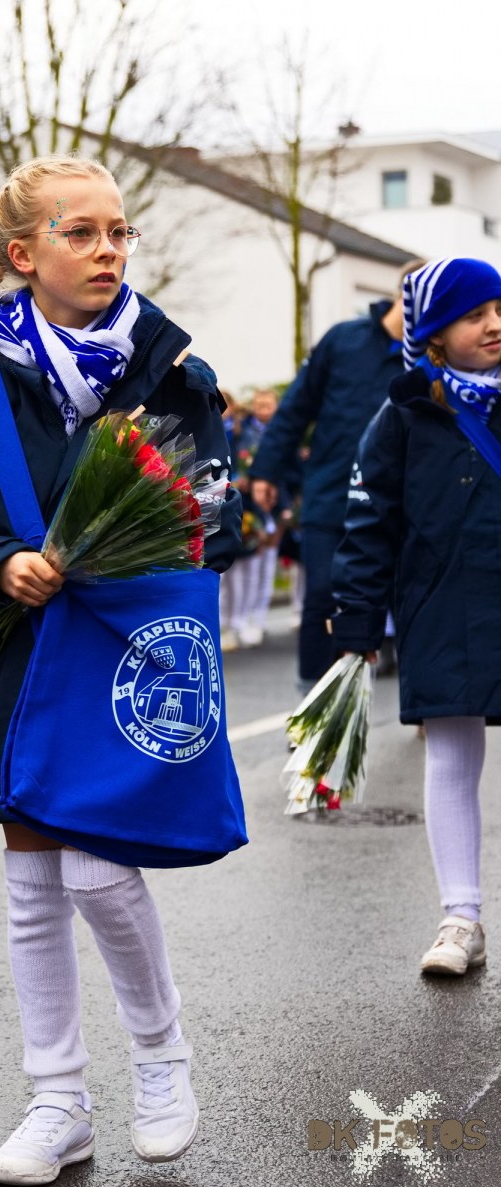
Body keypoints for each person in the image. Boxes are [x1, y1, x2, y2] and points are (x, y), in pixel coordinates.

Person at [0, 154, 241, 1187]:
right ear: (22, 252)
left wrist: (136, 547)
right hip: (15, 653)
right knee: (33, 884)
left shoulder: (173, 376)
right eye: (79, 232)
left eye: (118, 231)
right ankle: (58, 1101)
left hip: (127, 656)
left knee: (91, 866)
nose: (106, 250)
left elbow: (213, 516)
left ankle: (160, 1054)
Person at [330, 258, 501, 976]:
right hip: (444, 608)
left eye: (499, 309)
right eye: (473, 315)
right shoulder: (401, 416)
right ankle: (461, 918)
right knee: (451, 756)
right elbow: (368, 525)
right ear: (433, 334)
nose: (494, 324)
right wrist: (357, 618)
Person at [250, 261, 425, 689]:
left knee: (414, 599)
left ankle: (423, 702)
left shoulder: (429, 357)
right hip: (332, 494)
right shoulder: (343, 340)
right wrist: (266, 471)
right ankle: (313, 697)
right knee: (323, 595)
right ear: (404, 295)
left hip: (404, 503)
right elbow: (296, 409)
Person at [220, 388, 280, 649]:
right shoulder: (235, 431)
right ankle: (228, 622)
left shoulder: (243, 432)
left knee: (255, 570)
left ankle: (247, 619)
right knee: (228, 573)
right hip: (227, 504)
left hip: (254, 506)